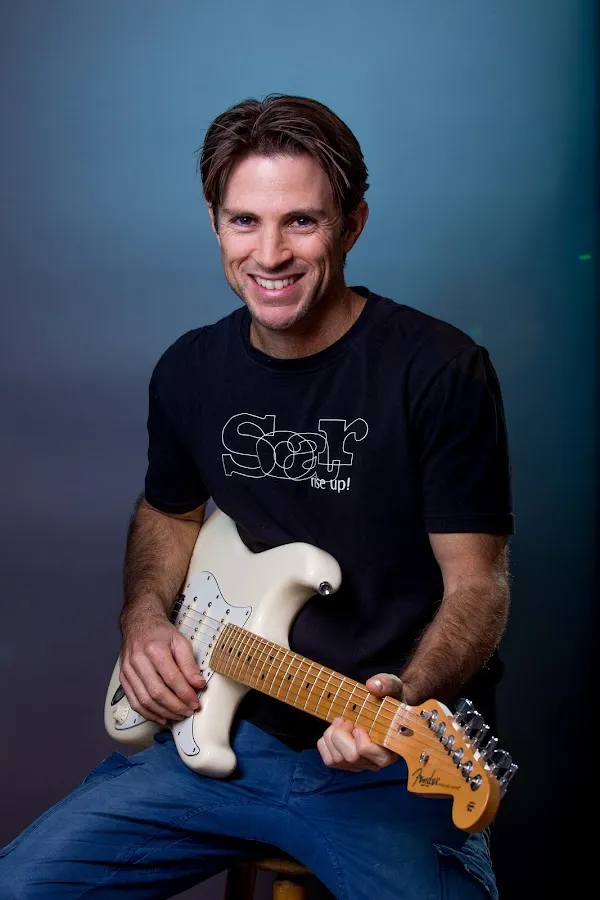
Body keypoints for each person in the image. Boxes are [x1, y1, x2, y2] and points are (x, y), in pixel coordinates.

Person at [0, 94, 513, 899]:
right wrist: (143, 618)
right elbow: (168, 512)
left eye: (300, 222)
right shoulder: (190, 369)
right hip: (227, 735)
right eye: (245, 221)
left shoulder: (440, 372)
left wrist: (404, 701)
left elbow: (478, 584)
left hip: (386, 758)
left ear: (352, 225)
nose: (269, 254)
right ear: (214, 223)